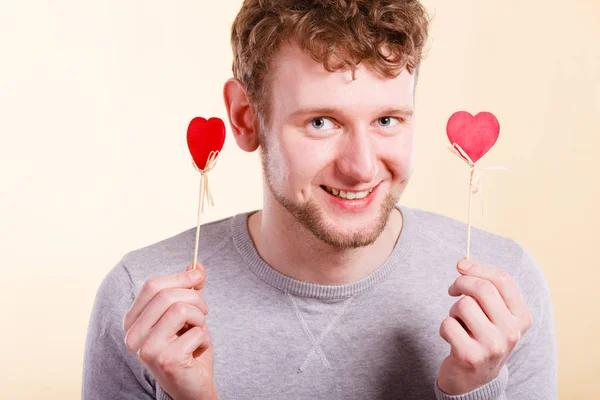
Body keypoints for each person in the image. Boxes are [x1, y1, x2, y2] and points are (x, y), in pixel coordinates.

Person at [82, 0, 557, 399]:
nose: (362, 167)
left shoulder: (506, 297)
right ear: (246, 118)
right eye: (321, 122)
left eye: (387, 119)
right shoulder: (140, 305)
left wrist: (475, 390)